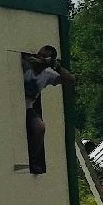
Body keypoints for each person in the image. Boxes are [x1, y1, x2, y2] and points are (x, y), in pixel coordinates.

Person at [22, 45, 74, 176]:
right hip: (14, 102)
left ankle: (33, 160)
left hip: (27, 107)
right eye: (39, 55)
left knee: (40, 128)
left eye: (44, 57)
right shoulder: (27, 65)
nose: (39, 58)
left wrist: (55, 66)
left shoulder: (48, 74)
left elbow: (71, 80)